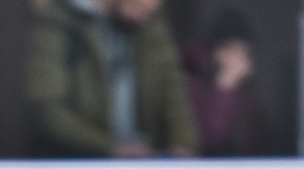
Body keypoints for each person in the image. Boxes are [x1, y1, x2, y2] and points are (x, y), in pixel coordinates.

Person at [26, 0, 197, 158]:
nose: (152, 5)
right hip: (79, 162)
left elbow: (172, 89)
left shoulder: (150, 21)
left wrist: (182, 143)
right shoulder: (61, 21)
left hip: (146, 161)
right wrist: (110, 147)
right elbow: (49, 109)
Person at [184, 6, 270, 158]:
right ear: (216, 52)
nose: (238, 59)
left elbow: (260, 145)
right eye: (231, 50)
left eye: (244, 52)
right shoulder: (192, 85)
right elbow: (210, 141)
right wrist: (225, 86)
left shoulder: (247, 98)